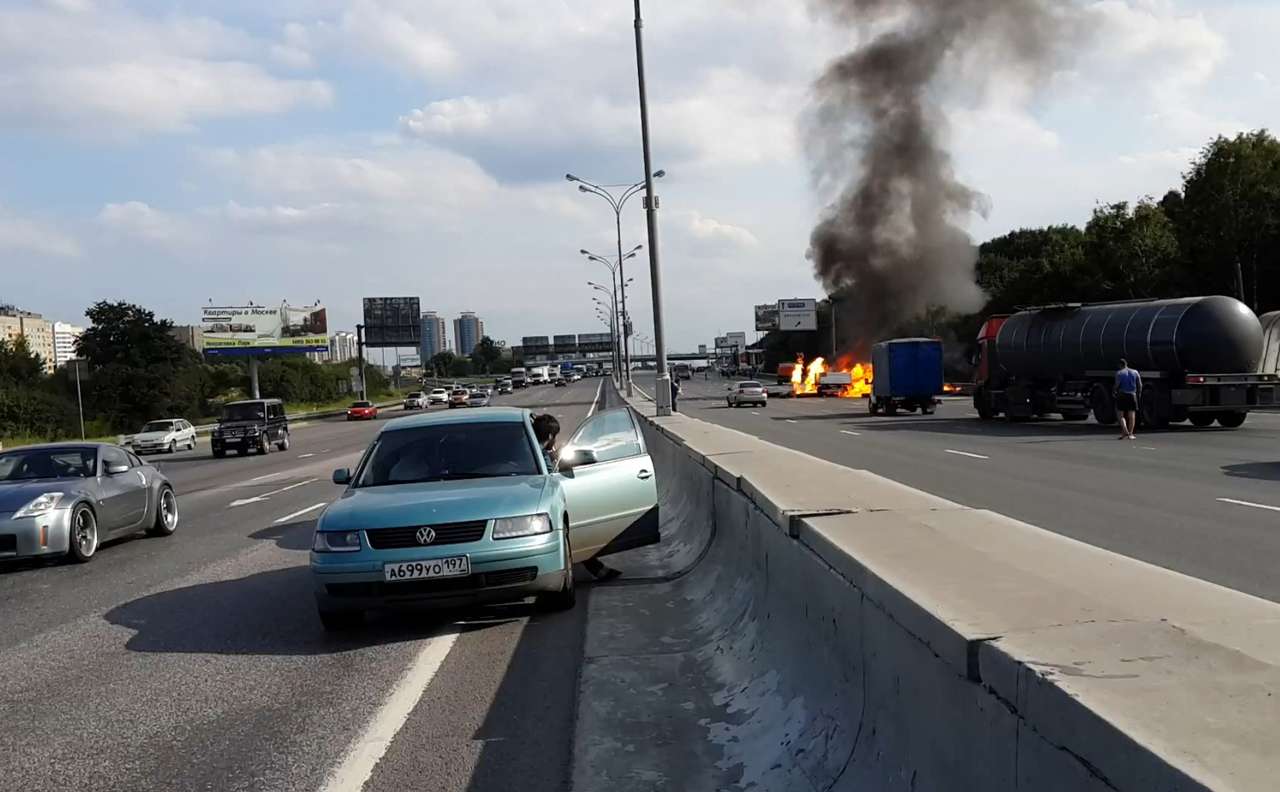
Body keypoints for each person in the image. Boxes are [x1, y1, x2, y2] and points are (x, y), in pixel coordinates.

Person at [531, 413, 621, 581]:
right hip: (546, 508)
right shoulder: (542, 457)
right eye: (555, 436)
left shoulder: (531, 451)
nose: (555, 440)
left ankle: (598, 569)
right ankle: (594, 570)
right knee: (574, 532)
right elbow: (551, 480)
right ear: (550, 436)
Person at [1114, 359, 1142, 440]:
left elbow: (1117, 385)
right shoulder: (1135, 372)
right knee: (1132, 415)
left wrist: (1114, 391)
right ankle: (1131, 434)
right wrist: (1139, 394)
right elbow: (1140, 384)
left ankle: (1125, 431)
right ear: (1126, 364)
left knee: (1121, 415)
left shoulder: (1119, 373)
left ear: (1120, 365)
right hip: (1132, 394)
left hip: (1122, 394)